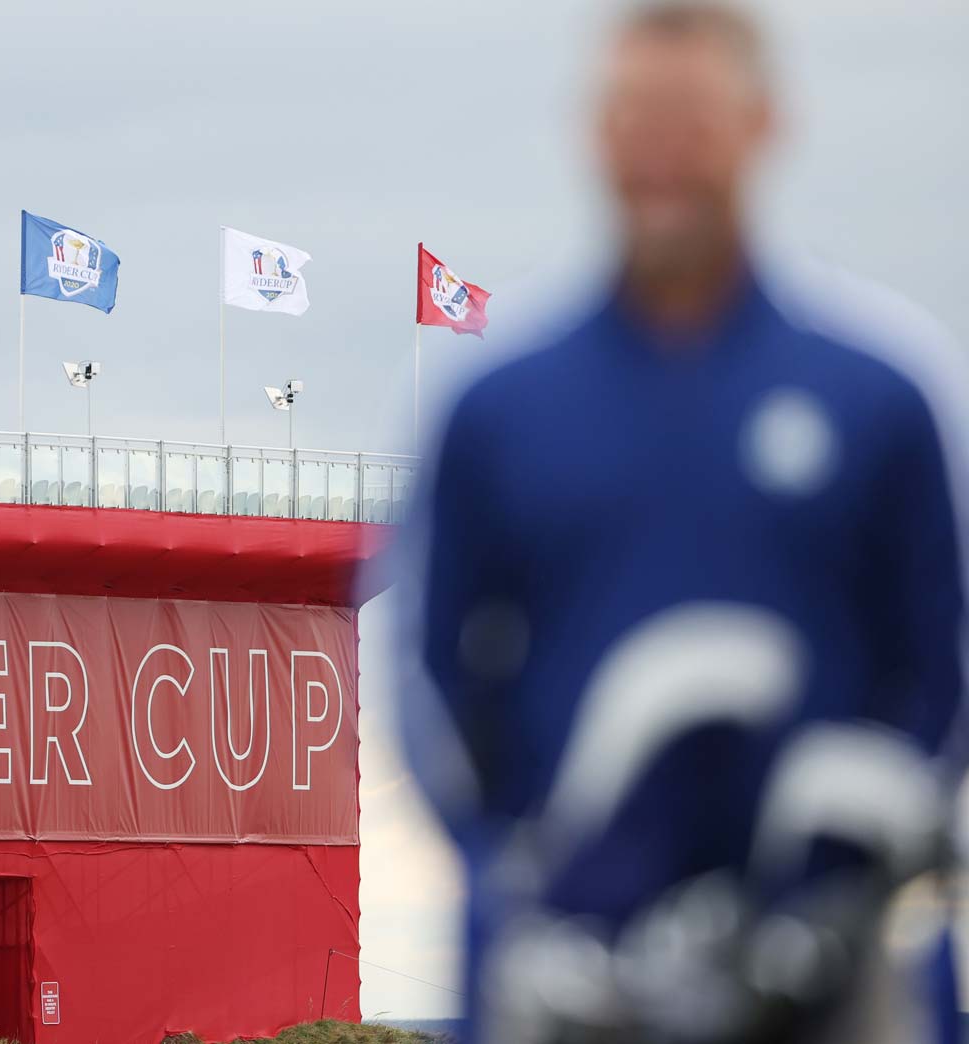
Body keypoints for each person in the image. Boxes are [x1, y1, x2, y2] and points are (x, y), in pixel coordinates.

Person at [391, 3, 967, 1041]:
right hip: (560, 982)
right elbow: (428, 677)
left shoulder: (880, 392)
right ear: (594, 132)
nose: (661, 149)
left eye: (692, 119)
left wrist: (843, 894)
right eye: (635, 116)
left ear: (761, 126)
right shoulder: (495, 405)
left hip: (824, 986)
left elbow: (940, 670)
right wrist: (514, 884)